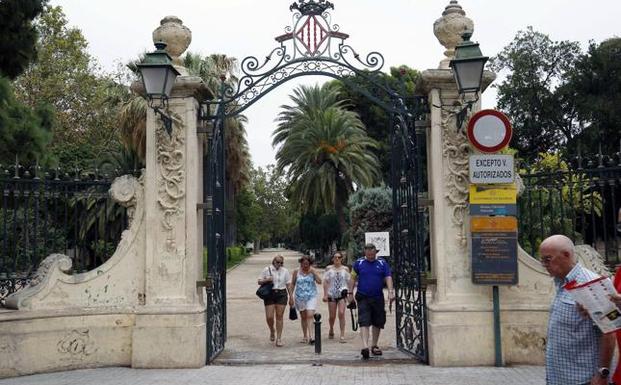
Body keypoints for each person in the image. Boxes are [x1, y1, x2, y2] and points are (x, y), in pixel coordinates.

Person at [539, 234, 615, 385]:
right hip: (559, 377)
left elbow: (609, 333)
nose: (544, 264)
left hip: (583, 379)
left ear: (566, 255)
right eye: (542, 260)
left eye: (547, 259)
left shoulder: (591, 284)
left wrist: (602, 374)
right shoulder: (560, 282)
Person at [347, 243, 395, 359]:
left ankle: (374, 345)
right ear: (365, 253)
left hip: (378, 296)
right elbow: (352, 277)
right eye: (368, 254)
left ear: (376, 253)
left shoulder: (382, 263)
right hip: (363, 296)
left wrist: (390, 291)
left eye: (372, 254)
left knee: (378, 321)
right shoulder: (359, 263)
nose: (370, 256)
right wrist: (350, 293)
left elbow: (388, 276)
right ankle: (365, 346)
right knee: (364, 320)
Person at [257, 255, 292, 347]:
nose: (279, 264)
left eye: (281, 263)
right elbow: (259, 281)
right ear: (273, 261)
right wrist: (267, 279)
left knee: (279, 316)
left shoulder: (285, 271)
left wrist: (291, 297)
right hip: (270, 294)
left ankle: (279, 338)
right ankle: (272, 330)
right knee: (269, 317)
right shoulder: (267, 269)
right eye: (278, 262)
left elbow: (288, 284)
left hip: (281, 293)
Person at [289, 255, 321, 344]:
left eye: (307, 264)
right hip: (300, 297)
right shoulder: (296, 271)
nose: (305, 265)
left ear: (310, 264)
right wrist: (290, 296)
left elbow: (319, 281)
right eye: (303, 264)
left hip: (311, 296)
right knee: (303, 317)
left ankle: (312, 337)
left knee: (310, 315)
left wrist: (314, 273)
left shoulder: (312, 271)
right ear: (301, 263)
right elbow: (292, 284)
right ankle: (305, 336)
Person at [322, 251, 351, 343]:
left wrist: (350, 293)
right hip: (332, 294)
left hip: (342, 294)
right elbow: (326, 282)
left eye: (339, 257)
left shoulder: (345, 269)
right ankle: (331, 328)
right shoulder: (328, 269)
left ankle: (342, 334)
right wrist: (325, 294)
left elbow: (349, 281)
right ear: (332, 259)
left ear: (342, 259)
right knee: (332, 316)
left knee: (341, 313)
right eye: (335, 257)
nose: (337, 259)